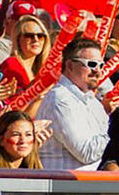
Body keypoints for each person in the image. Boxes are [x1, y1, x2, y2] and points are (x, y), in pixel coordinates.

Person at [36, 37, 109, 170]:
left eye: (101, 65)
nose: (98, 71)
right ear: (69, 66)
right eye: (91, 64)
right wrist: (118, 129)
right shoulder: (59, 99)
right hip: (62, 186)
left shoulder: (93, 102)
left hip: (87, 185)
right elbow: (86, 153)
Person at [1, 14, 51, 92]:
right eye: (29, 36)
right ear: (18, 40)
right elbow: (8, 101)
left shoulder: (41, 68)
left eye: (40, 36)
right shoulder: (11, 64)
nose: (36, 39)